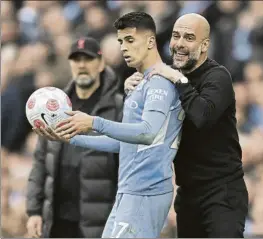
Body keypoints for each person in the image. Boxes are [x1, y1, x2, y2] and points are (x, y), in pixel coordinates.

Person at [35, 12, 184, 238]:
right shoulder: (139, 84)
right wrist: (70, 138)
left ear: (151, 41)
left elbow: (149, 133)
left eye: (130, 40)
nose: (123, 47)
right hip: (128, 192)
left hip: (146, 192)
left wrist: (94, 122)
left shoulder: (160, 83)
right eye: (121, 41)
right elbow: (124, 143)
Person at [125, 13, 249, 238]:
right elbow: (145, 132)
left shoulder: (218, 77)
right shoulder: (164, 79)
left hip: (222, 191)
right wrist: (133, 95)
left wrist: (178, 79)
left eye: (189, 38)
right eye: (176, 36)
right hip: (187, 194)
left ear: (204, 45)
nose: (180, 44)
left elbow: (202, 116)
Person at [26, 37, 123, 238]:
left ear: (101, 63)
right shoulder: (53, 106)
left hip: (99, 221)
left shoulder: (119, 107)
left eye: (88, 59)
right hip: (57, 220)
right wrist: (34, 211)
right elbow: (41, 162)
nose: (81, 65)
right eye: (76, 59)